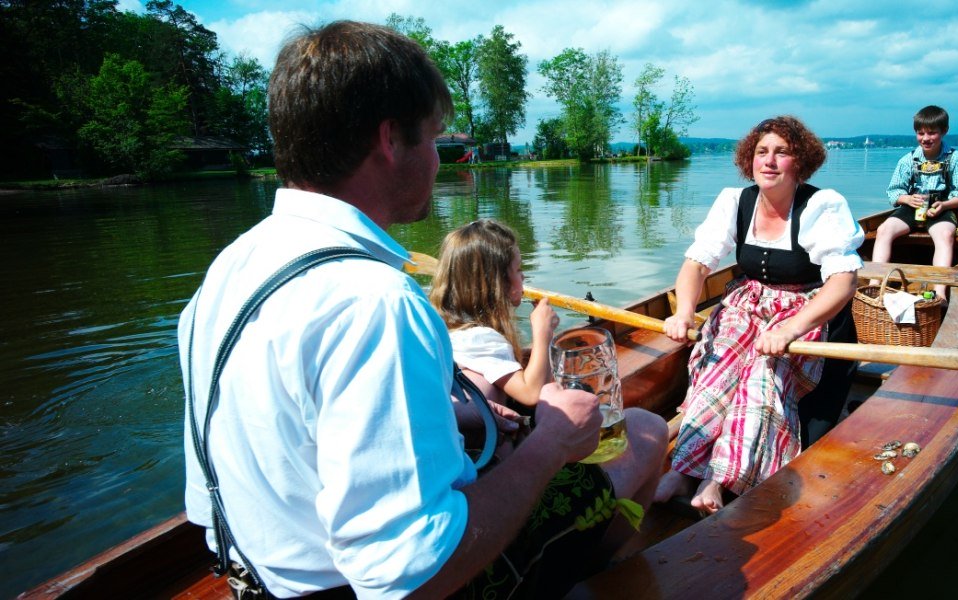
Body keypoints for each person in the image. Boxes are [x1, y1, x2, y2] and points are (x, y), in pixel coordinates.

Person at [179, 21, 666, 598]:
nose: (439, 161)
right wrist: (550, 443)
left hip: (256, 579)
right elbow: (410, 579)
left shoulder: (231, 268)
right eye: (434, 139)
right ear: (390, 140)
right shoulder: (375, 303)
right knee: (640, 431)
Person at [653, 116, 864, 515]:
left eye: (781, 153)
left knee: (761, 376)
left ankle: (719, 477)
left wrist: (789, 328)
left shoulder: (822, 205)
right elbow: (696, 265)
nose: (768, 161)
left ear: (799, 162)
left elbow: (842, 283)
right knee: (716, 369)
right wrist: (683, 313)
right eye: (761, 152)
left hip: (806, 313)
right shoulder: (736, 201)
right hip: (746, 307)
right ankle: (683, 469)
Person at [429, 218, 558, 409]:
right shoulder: (480, 338)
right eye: (518, 269)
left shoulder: (456, 332)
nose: (523, 276)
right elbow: (531, 394)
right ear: (499, 283)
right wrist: (543, 334)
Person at [872, 105, 958, 300]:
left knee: (944, 235)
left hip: (942, 207)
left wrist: (944, 205)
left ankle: (940, 294)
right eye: (920, 133)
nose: (925, 138)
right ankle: (874, 285)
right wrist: (907, 199)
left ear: (944, 131)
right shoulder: (907, 160)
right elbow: (894, 192)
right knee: (884, 230)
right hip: (912, 206)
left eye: (932, 133)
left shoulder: (956, 159)